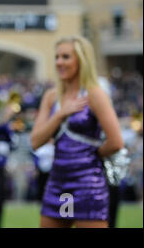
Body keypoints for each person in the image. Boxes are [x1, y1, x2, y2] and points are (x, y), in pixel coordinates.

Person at [31, 35, 124, 228]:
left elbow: (116, 142)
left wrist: (92, 155)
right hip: (57, 182)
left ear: (81, 60)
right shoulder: (51, 96)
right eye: (57, 57)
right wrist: (60, 114)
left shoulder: (95, 94)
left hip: (88, 184)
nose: (59, 62)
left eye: (66, 57)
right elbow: (35, 141)